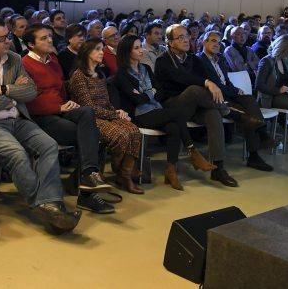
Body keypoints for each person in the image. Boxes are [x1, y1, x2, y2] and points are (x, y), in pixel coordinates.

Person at [0, 16, 81, 234]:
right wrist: (15, 93)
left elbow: (31, 92)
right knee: (17, 154)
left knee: (48, 145)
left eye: (8, 36)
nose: (8, 41)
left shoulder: (15, 59)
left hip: (18, 119)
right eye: (1, 38)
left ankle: (50, 204)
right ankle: (48, 206)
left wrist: (4, 90)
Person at [21, 24, 114, 215]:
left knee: (87, 112)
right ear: (30, 44)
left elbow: (60, 90)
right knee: (93, 134)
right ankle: (87, 189)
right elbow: (26, 101)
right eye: (43, 38)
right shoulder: (24, 64)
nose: (50, 40)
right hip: (42, 116)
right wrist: (57, 107)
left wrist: (69, 103)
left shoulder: (53, 61)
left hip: (62, 109)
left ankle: (88, 175)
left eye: (50, 36)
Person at [113, 35, 215, 190]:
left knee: (174, 127)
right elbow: (137, 101)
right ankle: (192, 151)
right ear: (127, 52)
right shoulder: (121, 74)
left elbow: (160, 91)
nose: (141, 50)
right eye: (137, 48)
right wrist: (150, 92)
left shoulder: (145, 68)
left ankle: (171, 170)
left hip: (156, 109)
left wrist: (146, 93)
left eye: (141, 46)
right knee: (177, 113)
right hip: (140, 115)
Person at [154, 24, 238, 187]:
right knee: (194, 89)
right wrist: (206, 82)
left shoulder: (193, 58)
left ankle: (218, 168)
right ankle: (230, 112)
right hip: (173, 107)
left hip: (196, 105)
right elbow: (182, 77)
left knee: (213, 114)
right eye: (180, 37)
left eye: (187, 36)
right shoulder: (162, 60)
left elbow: (207, 77)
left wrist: (209, 82)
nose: (186, 40)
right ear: (170, 42)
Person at [68, 38, 143, 194]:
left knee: (135, 131)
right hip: (89, 119)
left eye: (102, 49)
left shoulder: (100, 74)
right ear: (87, 53)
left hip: (106, 114)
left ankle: (125, 175)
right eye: (97, 49)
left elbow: (106, 102)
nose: (102, 52)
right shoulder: (79, 76)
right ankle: (118, 171)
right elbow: (88, 107)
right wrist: (113, 114)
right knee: (121, 135)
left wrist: (118, 111)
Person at [195, 31, 272, 171]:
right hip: (215, 98)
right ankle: (256, 149)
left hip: (228, 94)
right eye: (212, 41)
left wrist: (236, 90)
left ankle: (261, 134)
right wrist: (235, 91)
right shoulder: (199, 60)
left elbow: (226, 81)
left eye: (218, 42)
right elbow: (215, 84)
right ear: (204, 42)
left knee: (249, 99)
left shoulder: (220, 59)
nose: (216, 44)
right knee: (248, 115)